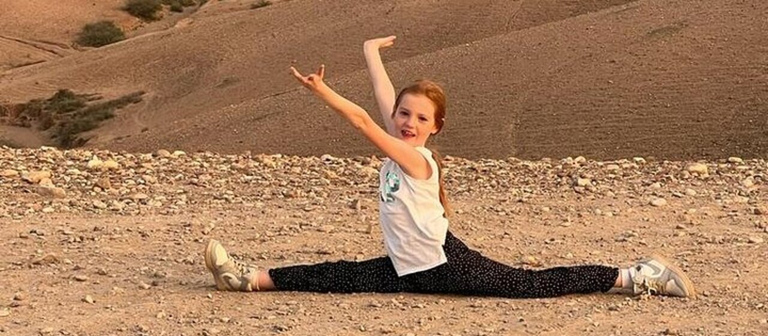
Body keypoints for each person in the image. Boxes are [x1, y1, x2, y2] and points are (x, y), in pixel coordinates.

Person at [204, 36, 695, 299]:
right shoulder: (401, 139)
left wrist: (322, 92)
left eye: (421, 118)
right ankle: (247, 278)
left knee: (531, 284)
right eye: (404, 114)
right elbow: (380, 99)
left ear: (436, 127)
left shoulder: (415, 157)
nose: (408, 122)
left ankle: (637, 275)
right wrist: (370, 53)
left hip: (443, 263)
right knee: (337, 274)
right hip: (408, 268)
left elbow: (359, 119)